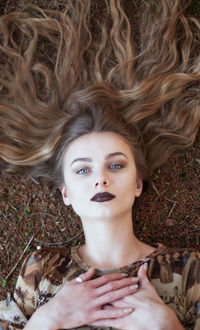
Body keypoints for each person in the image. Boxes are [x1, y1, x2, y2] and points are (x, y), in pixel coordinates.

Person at [0, 0, 200, 329]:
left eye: (117, 166)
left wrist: (166, 325)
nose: (101, 180)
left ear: (138, 183)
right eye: (83, 170)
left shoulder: (189, 268)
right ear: (65, 192)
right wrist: (46, 321)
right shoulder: (42, 270)